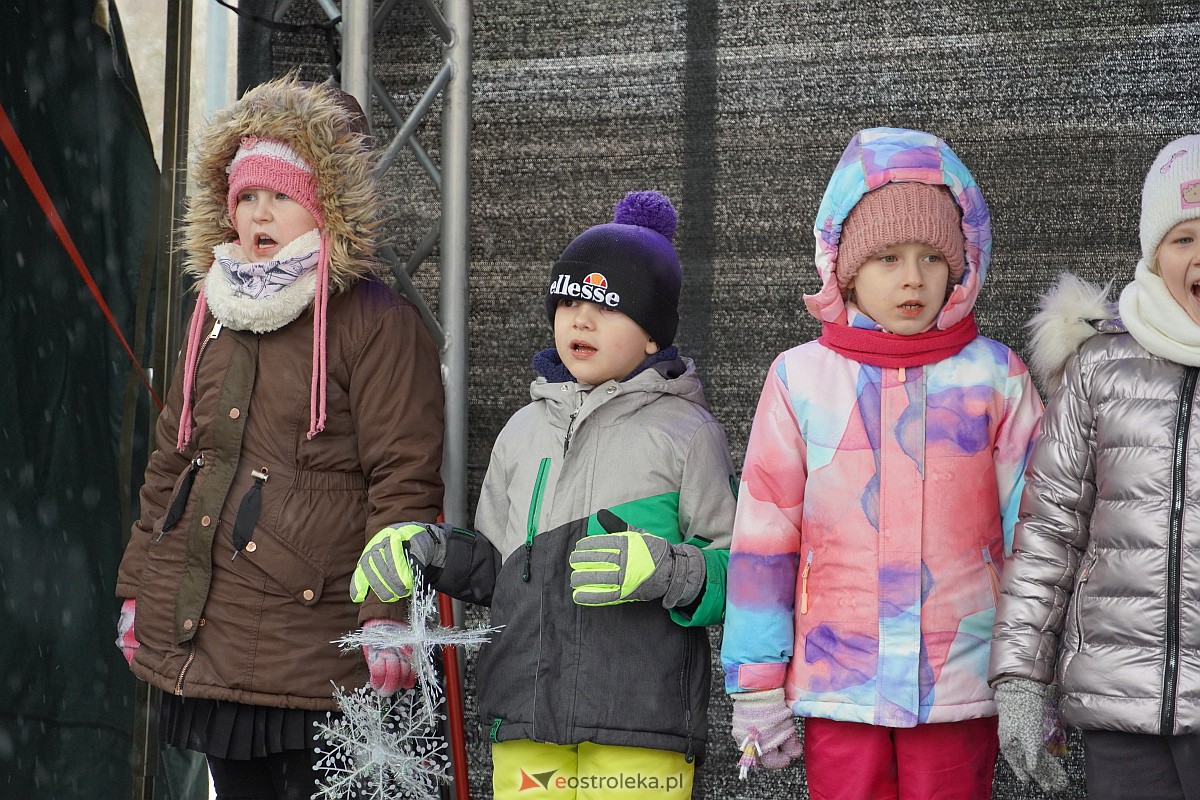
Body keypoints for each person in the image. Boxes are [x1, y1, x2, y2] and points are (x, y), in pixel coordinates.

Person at [113, 75, 445, 800]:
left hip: (315, 638)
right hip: (215, 633)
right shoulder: (215, 309)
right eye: (247, 196)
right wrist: (139, 588)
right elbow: (171, 465)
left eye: (282, 196)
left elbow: (404, 482)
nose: (259, 214)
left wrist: (386, 614)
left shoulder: (378, 322)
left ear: (329, 205)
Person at [351, 190, 737, 799]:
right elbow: (495, 570)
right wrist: (426, 549)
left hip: (639, 724)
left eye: (607, 306)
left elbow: (742, 575)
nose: (580, 320)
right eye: (569, 302)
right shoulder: (522, 430)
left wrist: (666, 570)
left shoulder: (689, 434)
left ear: (652, 337)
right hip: (523, 718)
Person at [720, 127, 1045, 799]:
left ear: (962, 265)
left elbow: (1038, 536)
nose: (912, 278)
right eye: (887, 256)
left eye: (933, 257)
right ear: (844, 266)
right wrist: (756, 683)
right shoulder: (800, 380)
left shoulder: (996, 376)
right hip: (842, 675)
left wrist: (1033, 674)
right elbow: (763, 542)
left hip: (961, 677)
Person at [990, 133, 1200, 800]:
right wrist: (1021, 677)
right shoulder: (1100, 367)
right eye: (1183, 238)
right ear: (1155, 253)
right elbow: (1049, 531)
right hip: (1117, 706)